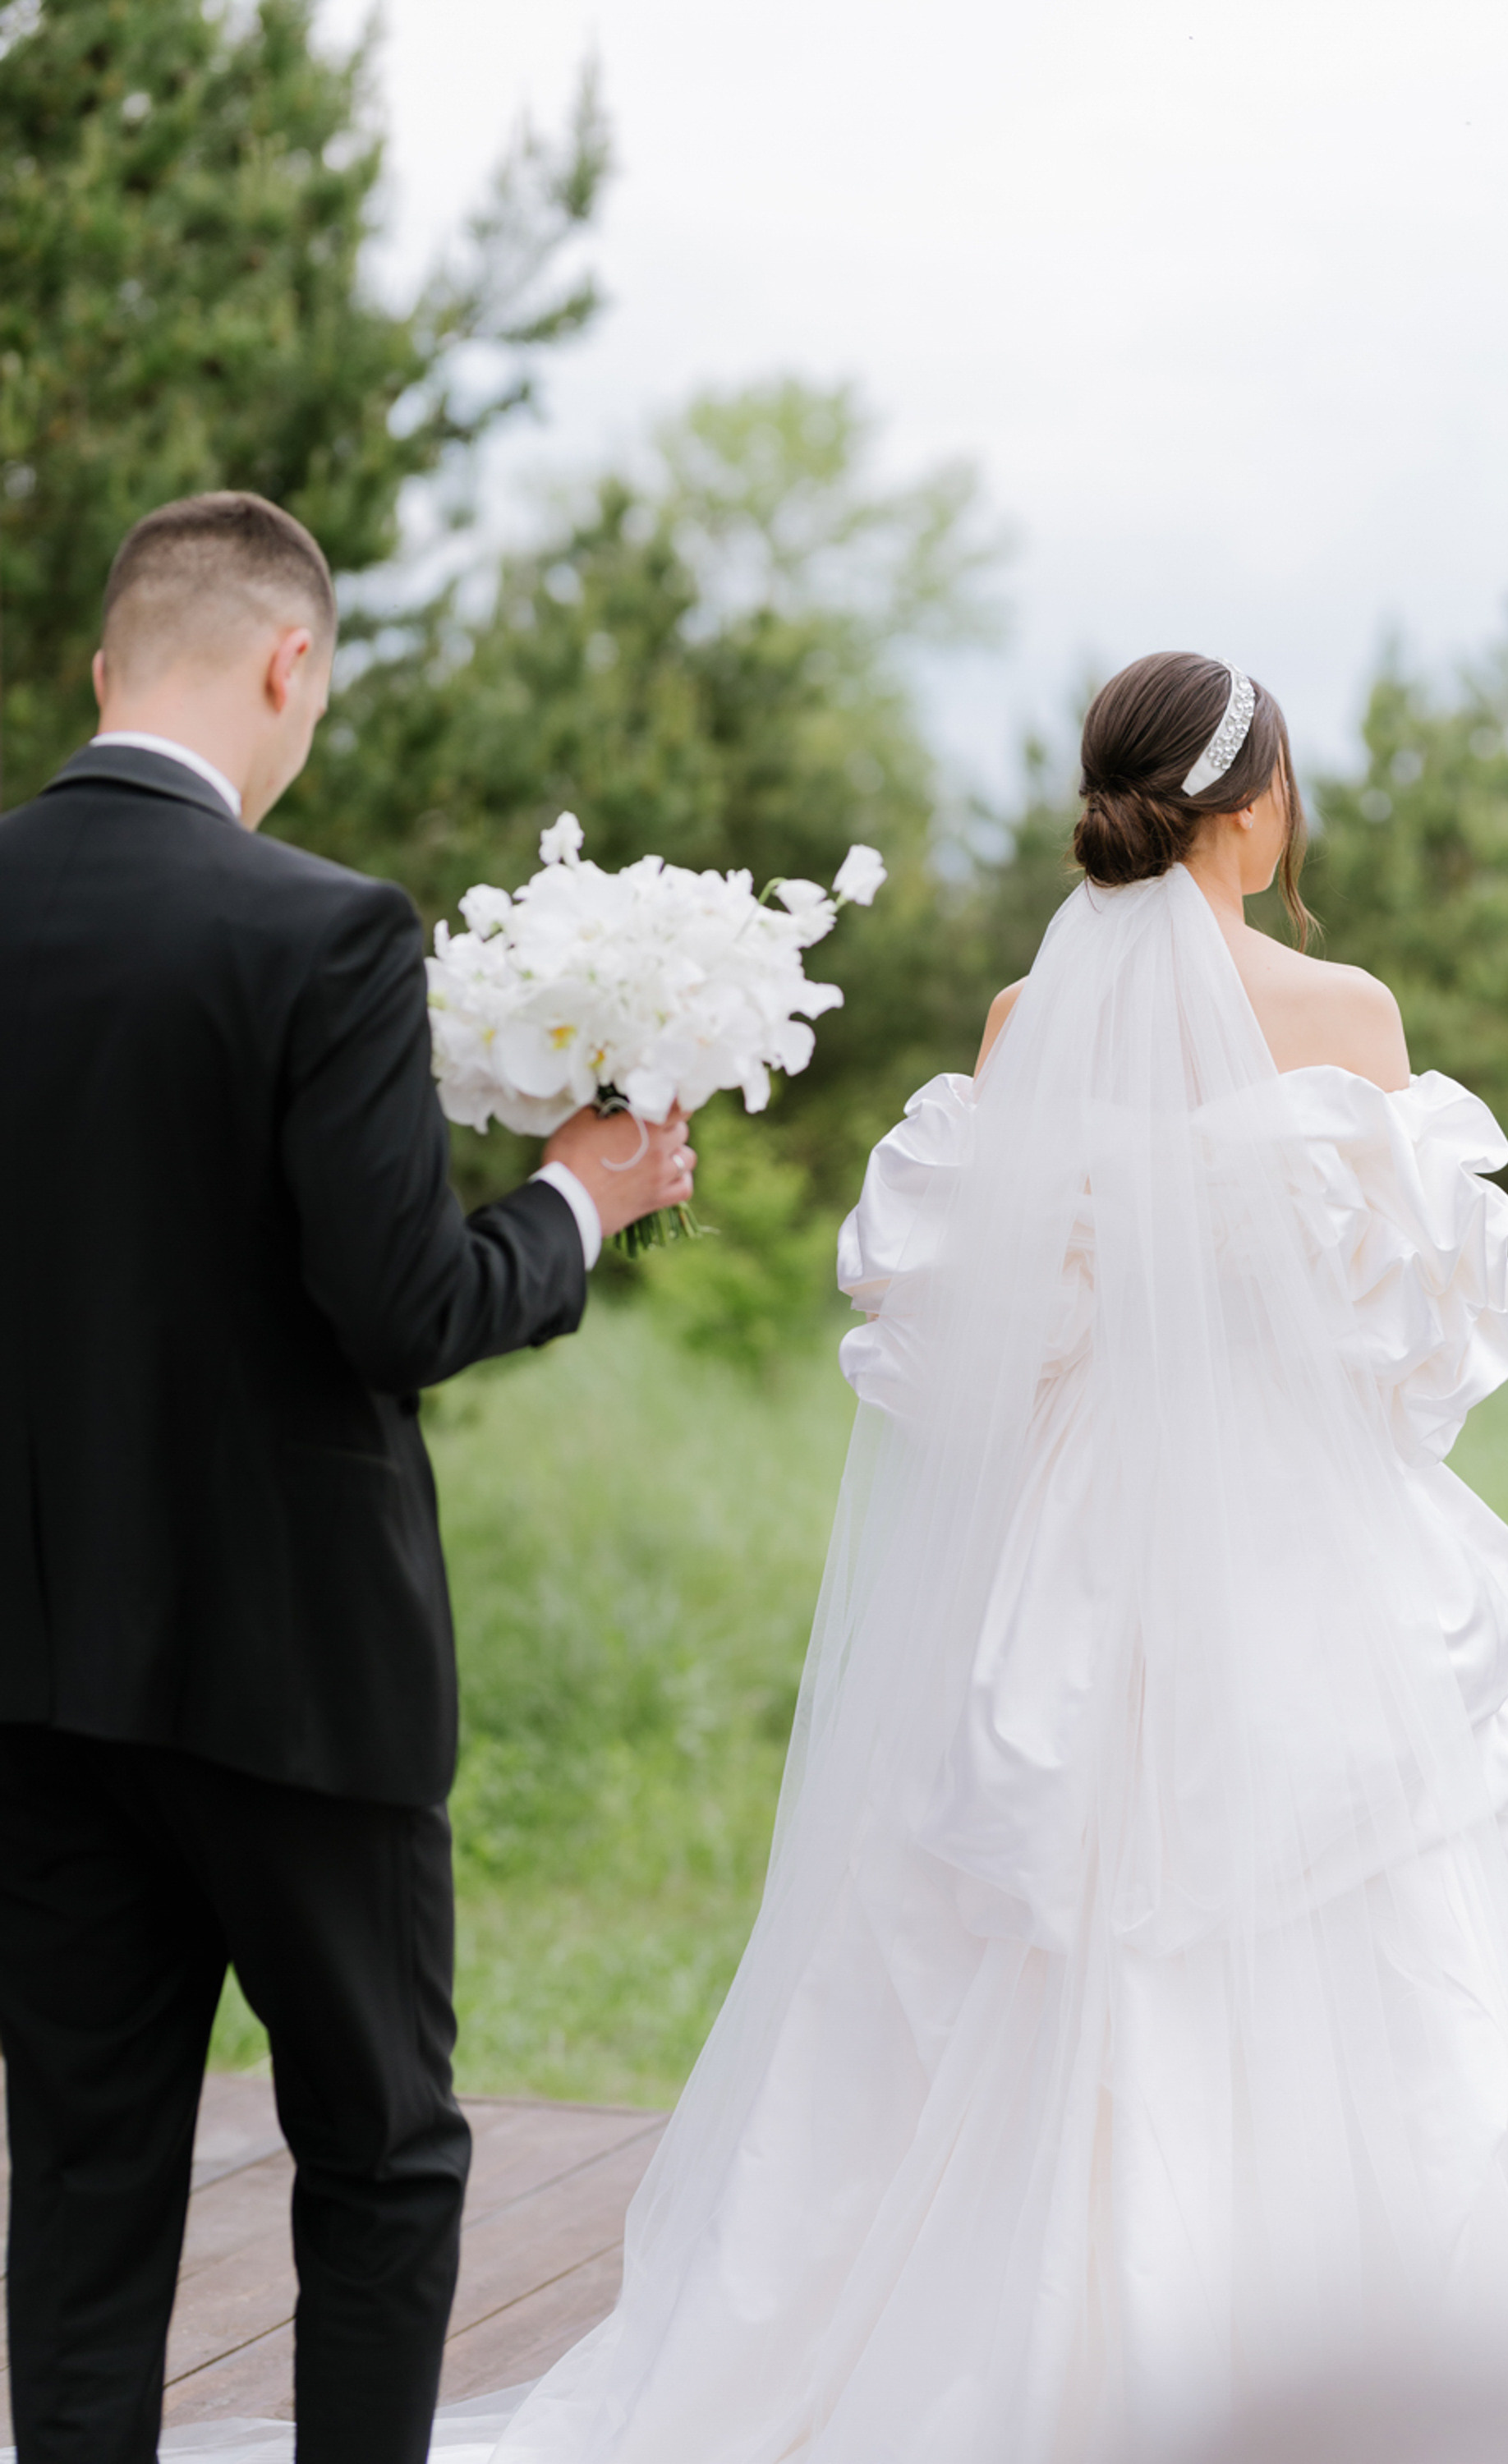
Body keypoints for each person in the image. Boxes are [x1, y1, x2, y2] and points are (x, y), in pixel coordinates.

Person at [459, 653, 1508, 2462]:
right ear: (1256, 806)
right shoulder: (1346, 1018)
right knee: (1379, 1924)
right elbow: (1423, 1362)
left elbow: (973, 1355)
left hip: (1079, 1555)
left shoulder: (1025, 1026)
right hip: (1309, 1552)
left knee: (1047, 1905)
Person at [0, 491, 694, 2464]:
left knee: (82, 2171)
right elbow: (399, 1305)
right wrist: (579, 1195)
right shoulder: (322, 927)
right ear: (288, 664)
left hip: (33, 1675)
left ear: (104, 663)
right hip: (298, 1680)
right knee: (376, 2154)